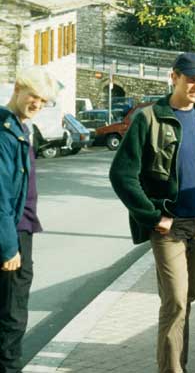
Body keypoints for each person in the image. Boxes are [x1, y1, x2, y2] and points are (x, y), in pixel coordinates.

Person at [109, 52, 195, 373]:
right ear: (173, 77)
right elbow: (121, 175)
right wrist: (152, 217)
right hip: (168, 227)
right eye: (190, 78)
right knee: (175, 301)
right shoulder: (148, 119)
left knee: (186, 301)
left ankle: (178, 365)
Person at [0, 67, 57, 373]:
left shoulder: (22, 127)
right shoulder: (3, 132)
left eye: (43, 100)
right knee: (12, 316)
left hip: (18, 230)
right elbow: (0, 195)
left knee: (11, 315)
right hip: (11, 234)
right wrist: (9, 247)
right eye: (33, 96)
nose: (37, 103)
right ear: (18, 89)